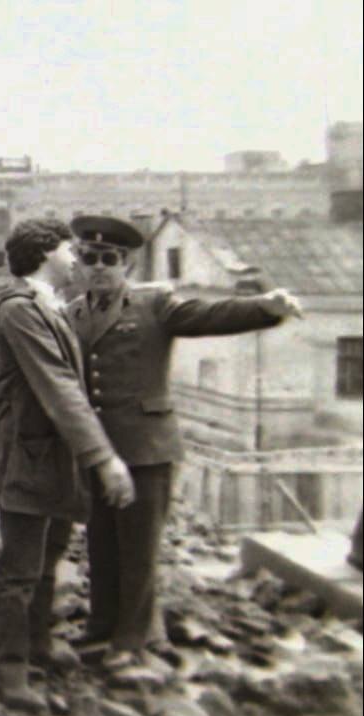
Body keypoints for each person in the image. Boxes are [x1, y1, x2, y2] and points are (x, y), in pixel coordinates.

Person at [66, 214, 304, 669]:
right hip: (98, 451)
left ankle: (131, 639)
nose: (99, 267)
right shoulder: (73, 312)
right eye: (90, 257)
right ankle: (101, 626)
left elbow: (207, 315)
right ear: (78, 260)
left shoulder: (154, 303)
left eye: (109, 259)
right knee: (102, 543)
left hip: (146, 448)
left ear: (126, 264)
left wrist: (265, 306)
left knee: (138, 550)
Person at [0, 219, 136, 712]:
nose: (77, 260)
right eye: (71, 250)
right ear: (46, 252)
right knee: (20, 568)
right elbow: (59, 386)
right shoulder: (18, 311)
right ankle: (7, 670)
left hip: (51, 457)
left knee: (48, 559)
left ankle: (38, 645)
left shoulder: (48, 306)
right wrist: (104, 458)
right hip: (27, 458)